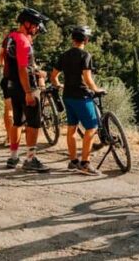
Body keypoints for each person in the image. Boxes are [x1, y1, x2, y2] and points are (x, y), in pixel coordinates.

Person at [50, 25, 104, 176]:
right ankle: (85, 163)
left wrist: (59, 85)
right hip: (81, 96)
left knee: (71, 128)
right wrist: (96, 89)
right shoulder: (85, 55)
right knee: (92, 128)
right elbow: (87, 78)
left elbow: (53, 76)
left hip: (67, 96)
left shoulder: (64, 55)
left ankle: (73, 161)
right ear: (86, 40)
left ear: (73, 39)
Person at [3, 7, 51, 172]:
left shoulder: (10, 37)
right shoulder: (23, 42)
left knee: (17, 122)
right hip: (26, 88)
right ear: (27, 23)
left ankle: (13, 156)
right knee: (33, 124)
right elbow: (23, 68)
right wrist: (29, 92)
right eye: (36, 25)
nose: (38, 28)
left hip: (13, 86)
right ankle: (30, 160)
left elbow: (8, 61)